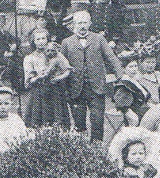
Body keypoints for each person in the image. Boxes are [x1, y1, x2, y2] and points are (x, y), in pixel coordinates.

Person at [61, 10, 124, 142]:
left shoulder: (99, 39)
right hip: (76, 88)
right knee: (79, 122)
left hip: (96, 88)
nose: (82, 26)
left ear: (90, 23)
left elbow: (111, 58)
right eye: (79, 23)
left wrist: (120, 77)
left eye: (85, 23)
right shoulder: (67, 42)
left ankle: (97, 149)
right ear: (74, 24)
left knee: (97, 121)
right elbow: (61, 65)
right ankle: (82, 150)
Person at [23, 30, 72, 128]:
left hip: (55, 92)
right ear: (34, 41)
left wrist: (58, 77)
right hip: (39, 94)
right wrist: (38, 77)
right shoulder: (30, 58)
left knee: (58, 121)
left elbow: (67, 69)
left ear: (47, 39)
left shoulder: (56, 54)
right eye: (38, 39)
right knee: (38, 123)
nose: (41, 41)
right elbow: (29, 81)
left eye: (43, 38)